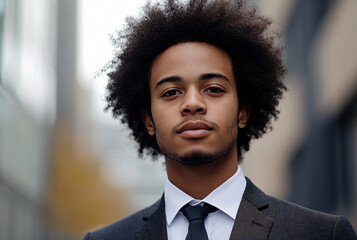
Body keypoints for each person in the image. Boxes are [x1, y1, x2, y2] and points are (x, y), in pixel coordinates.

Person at [83, 0, 357, 239]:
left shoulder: (320, 234)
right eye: (171, 92)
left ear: (242, 112)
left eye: (213, 89)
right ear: (148, 121)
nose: (192, 104)